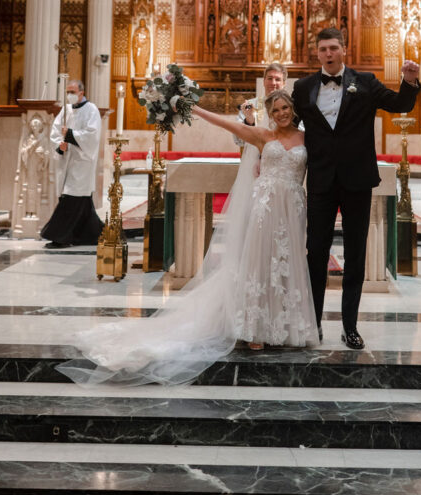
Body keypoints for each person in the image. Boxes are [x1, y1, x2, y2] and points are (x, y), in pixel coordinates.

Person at [58, 90, 318, 386]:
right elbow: (225, 124)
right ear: (270, 114)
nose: (282, 113)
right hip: (266, 207)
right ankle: (254, 329)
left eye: (285, 108)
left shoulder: (307, 138)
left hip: (293, 208)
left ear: (292, 109)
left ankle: (286, 328)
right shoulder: (262, 136)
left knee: (287, 264)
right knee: (258, 264)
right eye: (276, 110)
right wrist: (192, 109)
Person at [293, 27, 420, 349]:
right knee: (315, 254)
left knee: (356, 254)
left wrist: (409, 80)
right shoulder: (303, 87)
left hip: (357, 181)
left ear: (344, 50)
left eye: (333, 48)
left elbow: (399, 105)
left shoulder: (365, 82)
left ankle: (350, 327)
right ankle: (314, 324)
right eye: (323, 49)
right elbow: (287, 126)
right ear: (317, 53)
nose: (328, 54)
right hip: (321, 181)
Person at [40, 80, 103, 249]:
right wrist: (59, 144)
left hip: (82, 162)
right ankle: (93, 234)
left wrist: (70, 135)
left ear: (81, 93)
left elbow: (92, 135)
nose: (70, 95)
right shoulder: (66, 110)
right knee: (81, 201)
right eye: (68, 92)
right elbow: (55, 131)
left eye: (73, 92)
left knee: (71, 196)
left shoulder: (92, 110)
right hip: (66, 160)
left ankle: (58, 236)